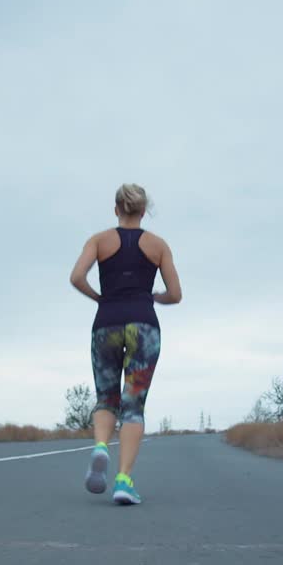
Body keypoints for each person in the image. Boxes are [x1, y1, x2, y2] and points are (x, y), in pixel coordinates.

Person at [69, 183, 182, 505]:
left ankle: (101, 446)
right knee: (134, 406)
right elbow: (176, 294)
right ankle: (123, 480)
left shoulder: (99, 240)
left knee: (106, 398)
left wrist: (100, 298)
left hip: (106, 323)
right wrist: (153, 297)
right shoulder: (158, 245)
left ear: (116, 208)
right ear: (143, 211)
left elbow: (77, 277)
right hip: (144, 325)